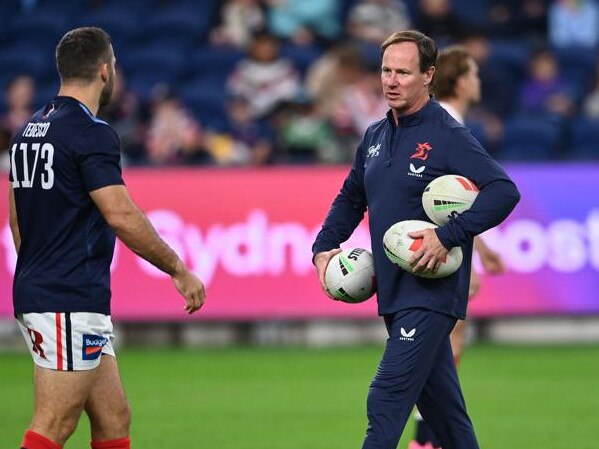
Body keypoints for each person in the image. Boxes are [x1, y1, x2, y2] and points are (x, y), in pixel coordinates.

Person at [312, 30, 520, 449]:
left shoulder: (447, 134)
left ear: (428, 76)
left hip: (431, 295)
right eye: (386, 70)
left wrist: (449, 235)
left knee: (386, 397)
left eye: (403, 72)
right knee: (448, 420)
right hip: (393, 291)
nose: (391, 80)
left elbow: (503, 191)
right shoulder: (373, 136)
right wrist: (322, 248)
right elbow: (352, 197)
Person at [8, 27, 206, 449]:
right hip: (67, 296)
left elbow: (15, 216)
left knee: (114, 419)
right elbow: (120, 213)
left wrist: (39, 270)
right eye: (114, 65)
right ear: (103, 70)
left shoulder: (30, 130)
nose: (115, 72)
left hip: (52, 291)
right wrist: (177, 268)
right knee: (54, 424)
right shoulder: (90, 132)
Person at [407, 45, 507, 449]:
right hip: (437, 246)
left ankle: (429, 436)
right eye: (474, 73)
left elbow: (451, 202)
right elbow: (441, 202)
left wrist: (479, 251)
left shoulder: (447, 119)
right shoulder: (446, 121)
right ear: (461, 80)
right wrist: (473, 252)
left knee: (448, 335)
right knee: (440, 338)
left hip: (444, 243)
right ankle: (426, 438)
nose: (478, 80)